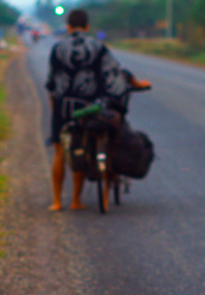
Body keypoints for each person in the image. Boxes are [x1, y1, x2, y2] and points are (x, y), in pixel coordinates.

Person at [45, 9, 150, 211]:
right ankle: (76, 201)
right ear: (87, 26)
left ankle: (57, 202)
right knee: (81, 145)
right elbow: (115, 73)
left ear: (68, 27)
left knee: (59, 152)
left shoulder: (58, 48)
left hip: (62, 107)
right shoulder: (98, 47)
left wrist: (54, 106)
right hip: (88, 107)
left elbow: (51, 82)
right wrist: (135, 83)